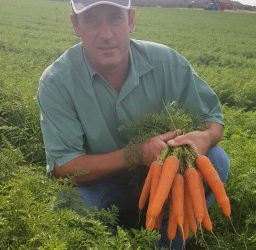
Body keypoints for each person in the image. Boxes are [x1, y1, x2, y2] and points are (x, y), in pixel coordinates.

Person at [36, 0, 230, 248]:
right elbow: (64, 167)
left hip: (164, 179)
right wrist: (137, 154)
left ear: (131, 20)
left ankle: (168, 238)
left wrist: (205, 137)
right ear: (76, 25)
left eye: (114, 18)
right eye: (92, 19)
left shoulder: (167, 63)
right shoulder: (57, 82)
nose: (106, 34)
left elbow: (212, 119)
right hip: (100, 183)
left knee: (217, 161)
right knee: (69, 205)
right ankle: (111, 235)